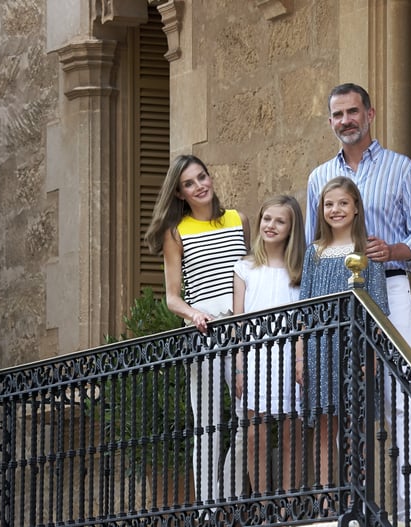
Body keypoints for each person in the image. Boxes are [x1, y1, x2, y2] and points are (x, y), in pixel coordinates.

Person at [305, 83, 411, 522]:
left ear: (370, 113)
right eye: (338, 114)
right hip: (335, 298)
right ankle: (348, 505)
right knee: (339, 399)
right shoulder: (318, 178)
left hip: (391, 288)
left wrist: (392, 250)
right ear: (330, 121)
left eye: (353, 112)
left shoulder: (400, 168)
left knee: (401, 392)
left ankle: (409, 508)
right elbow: (312, 243)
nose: (346, 120)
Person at [144, 154, 249, 505]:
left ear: (210, 177)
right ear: (179, 193)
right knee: (207, 425)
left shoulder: (239, 220)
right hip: (203, 328)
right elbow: (172, 298)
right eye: (189, 183)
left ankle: (228, 500)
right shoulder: (176, 232)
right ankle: (207, 510)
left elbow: (249, 276)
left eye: (202, 177)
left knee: (248, 418)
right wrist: (193, 315)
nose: (199, 186)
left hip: (243, 327)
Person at [297, 176, 389, 488]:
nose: (336, 209)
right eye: (329, 204)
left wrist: (371, 356)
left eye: (343, 203)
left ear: (356, 208)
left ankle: (354, 497)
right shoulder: (314, 253)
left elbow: (377, 310)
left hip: (354, 348)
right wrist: (300, 356)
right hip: (319, 349)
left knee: (354, 425)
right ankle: (324, 496)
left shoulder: (367, 250)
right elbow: (303, 311)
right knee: (324, 423)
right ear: (321, 209)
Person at [232, 195, 305, 495]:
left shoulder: (300, 271)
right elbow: (238, 323)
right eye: (266, 218)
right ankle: (263, 507)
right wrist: (238, 368)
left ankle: (289, 509)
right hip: (255, 358)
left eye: (280, 221)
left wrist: (301, 361)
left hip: (290, 357)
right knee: (255, 438)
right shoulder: (245, 268)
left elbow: (304, 321)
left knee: (292, 435)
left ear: (291, 228)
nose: (271, 226)